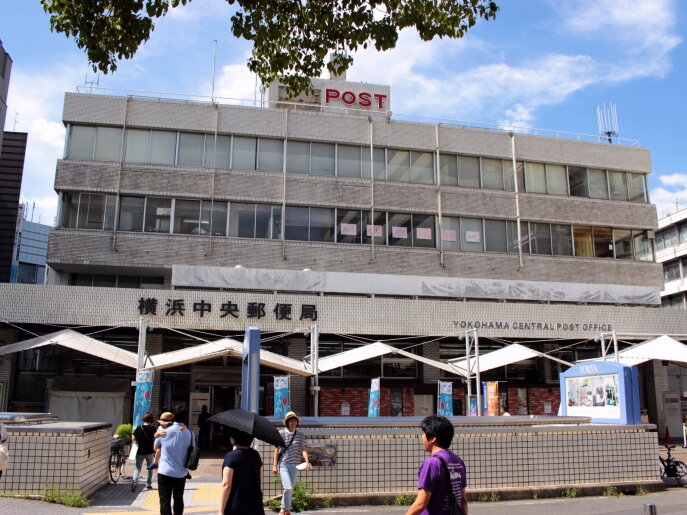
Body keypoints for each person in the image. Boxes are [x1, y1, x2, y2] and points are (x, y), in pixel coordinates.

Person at [406, 415, 468, 515]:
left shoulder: (431, 464)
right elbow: (463, 500)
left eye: (423, 433)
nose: (422, 437)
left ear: (432, 439)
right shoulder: (458, 461)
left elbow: (421, 504)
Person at [154, 411, 194, 515]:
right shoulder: (190, 433)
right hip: (181, 472)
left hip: (164, 471)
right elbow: (193, 448)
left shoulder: (164, 432)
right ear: (186, 419)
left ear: (174, 417)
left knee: (164, 500)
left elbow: (155, 447)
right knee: (178, 498)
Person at [218, 428, 265, 515]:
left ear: (235, 438)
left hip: (236, 504)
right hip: (256, 504)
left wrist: (220, 511)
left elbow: (226, 485)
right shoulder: (255, 455)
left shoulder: (231, 456)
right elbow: (260, 478)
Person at [272, 411, 310, 515]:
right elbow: (277, 450)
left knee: (290, 489)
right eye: (291, 421)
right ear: (287, 422)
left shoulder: (300, 434)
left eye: (294, 421)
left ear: (297, 422)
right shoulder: (281, 433)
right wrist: (274, 466)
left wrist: (307, 462)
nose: (293, 423)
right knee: (288, 487)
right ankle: (284, 509)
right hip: (283, 464)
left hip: (295, 464)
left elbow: (303, 449)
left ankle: (286, 510)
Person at [131, 412, 157, 491]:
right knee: (149, 468)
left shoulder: (139, 428)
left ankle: (134, 481)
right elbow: (156, 438)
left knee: (137, 467)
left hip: (140, 451)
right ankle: (148, 484)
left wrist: (138, 440)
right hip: (149, 451)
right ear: (151, 419)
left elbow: (133, 438)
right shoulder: (153, 429)